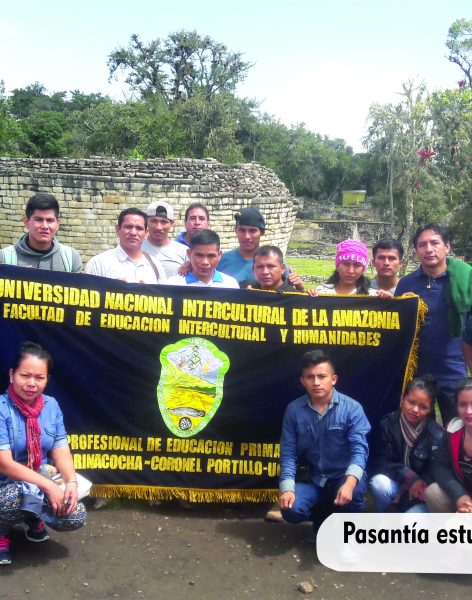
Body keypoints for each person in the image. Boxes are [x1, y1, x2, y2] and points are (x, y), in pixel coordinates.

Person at [0, 342, 86, 565]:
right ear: (11, 374)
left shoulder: (51, 406)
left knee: (75, 514)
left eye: (39, 377)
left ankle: (31, 517)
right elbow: (4, 464)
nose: (31, 383)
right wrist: (48, 486)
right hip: (4, 483)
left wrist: (71, 481)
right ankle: (1, 532)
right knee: (12, 498)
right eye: (25, 375)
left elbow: (61, 448)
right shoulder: (1, 408)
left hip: (36, 479)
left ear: (47, 380)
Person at [279, 350, 371, 541]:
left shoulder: (352, 408)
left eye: (322, 376)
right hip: (314, 477)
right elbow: (288, 452)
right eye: (310, 377)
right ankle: (321, 522)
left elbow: (359, 450)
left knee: (355, 492)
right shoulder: (294, 410)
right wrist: (287, 488)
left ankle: (349, 533)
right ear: (303, 381)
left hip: (342, 476)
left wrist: (349, 483)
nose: (316, 382)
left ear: (333, 379)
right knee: (291, 510)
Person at [395, 224, 472, 425]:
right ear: (416, 250)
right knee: (418, 429)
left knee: (457, 428)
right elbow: (396, 326)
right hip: (418, 372)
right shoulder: (407, 284)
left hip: (453, 371)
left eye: (434, 243)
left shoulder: (466, 280)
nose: (428, 249)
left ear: (447, 246)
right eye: (422, 245)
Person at [369, 375, 444, 513]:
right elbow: (381, 461)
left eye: (423, 407)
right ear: (402, 398)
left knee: (408, 521)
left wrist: (418, 483)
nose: (415, 409)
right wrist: (409, 477)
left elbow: (436, 472)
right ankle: (385, 517)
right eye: (411, 402)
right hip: (399, 481)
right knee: (378, 483)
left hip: (421, 493)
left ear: (430, 409)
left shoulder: (437, 435)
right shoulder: (388, 424)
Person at [0, 192, 82, 272]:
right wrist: (15, 277)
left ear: (57, 224)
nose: (45, 226)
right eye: (38, 220)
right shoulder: (4, 258)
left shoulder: (71, 258)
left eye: (50, 220)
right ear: (26, 222)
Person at [425, 378, 472, 512]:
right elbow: (439, 467)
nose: (469, 411)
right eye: (462, 404)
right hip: (465, 499)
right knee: (433, 492)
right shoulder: (453, 430)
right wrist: (459, 495)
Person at [85, 208, 166, 283]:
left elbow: (164, 293)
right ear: (118, 229)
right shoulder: (98, 264)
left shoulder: (155, 265)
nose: (133, 233)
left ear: (146, 233)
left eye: (139, 228)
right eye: (128, 227)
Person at [165, 229, 239, 289]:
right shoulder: (173, 284)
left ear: (219, 255)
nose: (205, 262)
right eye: (199, 256)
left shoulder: (230, 285)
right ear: (189, 254)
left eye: (211, 256)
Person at [314, 239, 380, 296]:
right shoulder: (321, 293)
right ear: (337, 266)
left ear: (363, 269)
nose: (350, 271)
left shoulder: (373, 296)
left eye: (357, 265)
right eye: (346, 264)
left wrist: (385, 301)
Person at [141, 201, 187, 277]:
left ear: (172, 223)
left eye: (164, 222)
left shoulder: (184, 251)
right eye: (154, 221)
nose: (158, 227)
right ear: (146, 221)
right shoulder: (136, 248)